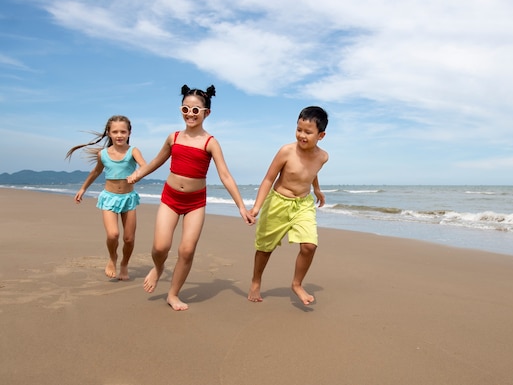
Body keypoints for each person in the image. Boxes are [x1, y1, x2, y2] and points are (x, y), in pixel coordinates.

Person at [127, 84, 254, 311]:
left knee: (186, 250)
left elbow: (225, 175)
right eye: (185, 109)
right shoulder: (173, 137)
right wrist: (138, 173)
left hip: (195, 202)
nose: (190, 114)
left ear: (207, 113)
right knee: (160, 247)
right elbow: (157, 162)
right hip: (170, 198)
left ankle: (173, 294)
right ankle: (158, 268)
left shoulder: (210, 142)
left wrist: (241, 207)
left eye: (196, 110)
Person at [247, 106, 329, 305]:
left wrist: (316, 189)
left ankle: (297, 284)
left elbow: (311, 171)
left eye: (308, 132)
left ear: (321, 135)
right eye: (299, 129)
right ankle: (256, 281)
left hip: (303, 204)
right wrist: (256, 207)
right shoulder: (286, 151)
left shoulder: (323, 157)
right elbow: (268, 179)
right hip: (278, 203)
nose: (302, 135)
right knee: (265, 247)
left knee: (309, 246)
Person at [66, 115, 147, 281]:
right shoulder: (103, 154)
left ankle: (124, 264)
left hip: (128, 198)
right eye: (115, 131)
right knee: (113, 235)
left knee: (129, 239)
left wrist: (136, 174)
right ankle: (113, 258)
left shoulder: (133, 151)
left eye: (123, 131)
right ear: (109, 133)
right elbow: (96, 172)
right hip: (109, 198)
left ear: (129, 132)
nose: (119, 135)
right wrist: (83, 188)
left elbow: (145, 166)